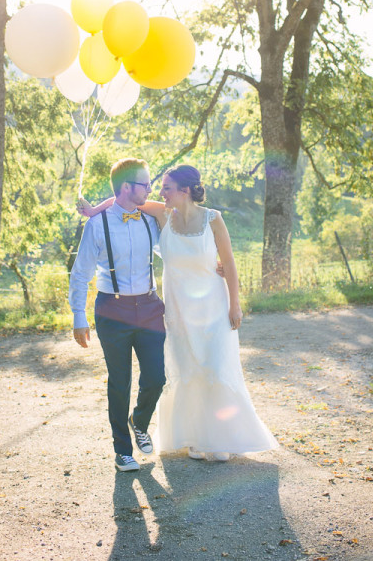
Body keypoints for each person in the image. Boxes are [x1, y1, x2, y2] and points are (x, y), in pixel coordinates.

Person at [78, 163, 278, 461]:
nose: (160, 192)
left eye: (166, 188)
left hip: (212, 305)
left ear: (184, 191)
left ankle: (219, 437)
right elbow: (121, 200)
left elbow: (230, 263)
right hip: (177, 309)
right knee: (187, 370)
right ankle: (194, 438)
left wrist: (235, 304)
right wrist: (94, 211)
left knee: (214, 366)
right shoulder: (162, 215)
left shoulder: (213, 219)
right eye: (158, 188)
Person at [69, 157, 165, 473]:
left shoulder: (151, 219)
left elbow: (174, 251)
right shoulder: (97, 224)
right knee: (119, 381)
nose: (152, 190)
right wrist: (78, 316)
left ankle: (139, 421)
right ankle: (122, 450)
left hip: (150, 308)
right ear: (127, 187)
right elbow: (81, 273)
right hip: (113, 309)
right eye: (146, 184)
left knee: (156, 377)